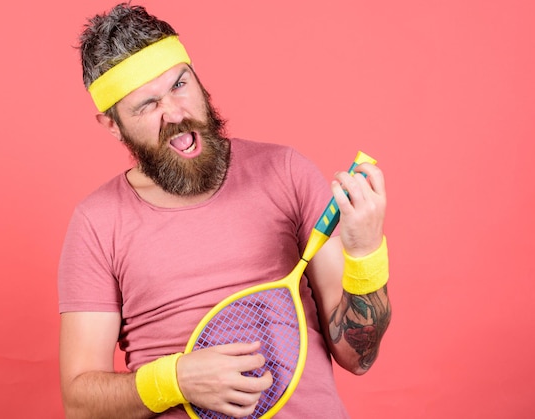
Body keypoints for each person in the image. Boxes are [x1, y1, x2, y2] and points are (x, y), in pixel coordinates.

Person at [58, 3, 391, 418]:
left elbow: (357, 356)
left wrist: (365, 254)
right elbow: (80, 405)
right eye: (146, 105)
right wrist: (175, 380)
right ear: (112, 125)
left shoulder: (286, 172)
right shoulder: (96, 223)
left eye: (180, 84)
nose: (175, 114)